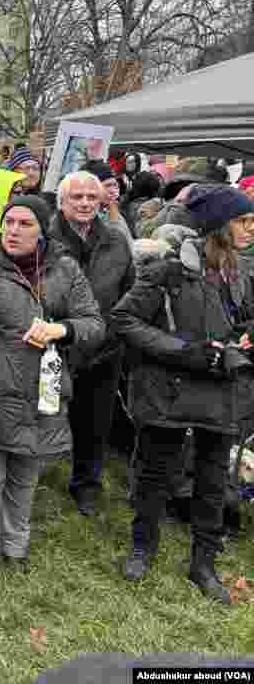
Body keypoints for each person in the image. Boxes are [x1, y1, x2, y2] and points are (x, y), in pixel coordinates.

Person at [0, 195, 103, 589]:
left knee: (24, 472)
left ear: (43, 229)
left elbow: (94, 323)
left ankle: (15, 547)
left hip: (41, 388)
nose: (13, 231)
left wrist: (61, 329)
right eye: (8, 222)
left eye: (24, 224)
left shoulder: (65, 270)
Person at [111, 186, 254, 605]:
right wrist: (182, 351)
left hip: (221, 393)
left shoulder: (240, 274)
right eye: (242, 221)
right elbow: (123, 318)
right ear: (217, 226)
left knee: (213, 481)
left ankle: (203, 563)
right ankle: (142, 548)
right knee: (155, 475)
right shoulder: (167, 272)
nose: (250, 228)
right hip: (168, 392)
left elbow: (245, 321)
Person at [49, 171, 134, 515]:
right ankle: (25, 475)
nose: (85, 203)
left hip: (104, 348)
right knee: (41, 414)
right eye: (76, 197)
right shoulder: (46, 238)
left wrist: (114, 333)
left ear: (102, 201)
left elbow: (130, 293)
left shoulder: (116, 240)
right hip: (54, 344)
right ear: (62, 202)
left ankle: (86, 483)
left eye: (91, 197)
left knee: (95, 421)